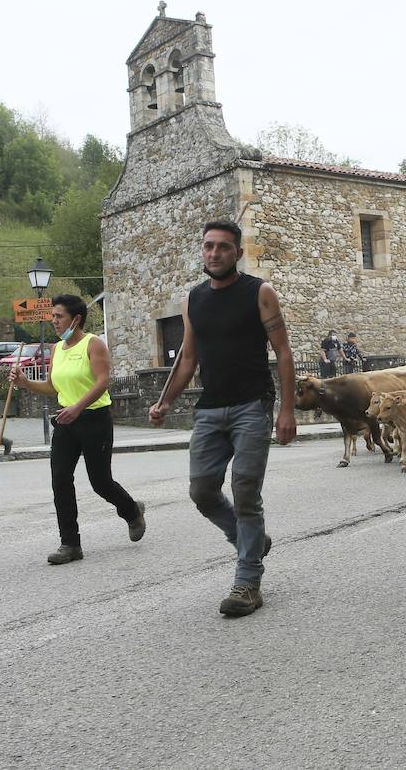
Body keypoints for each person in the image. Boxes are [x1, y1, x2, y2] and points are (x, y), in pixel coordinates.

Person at [150, 220, 297, 617]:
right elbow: (188, 360)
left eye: (223, 247)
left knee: (246, 492)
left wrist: (287, 408)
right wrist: (165, 401)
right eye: (208, 247)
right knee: (202, 492)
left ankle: (248, 581)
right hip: (210, 409)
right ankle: (252, 541)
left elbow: (283, 352)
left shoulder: (259, 293)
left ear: (238, 252)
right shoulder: (193, 300)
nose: (214, 253)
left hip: (252, 405)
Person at [10, 294, 146, 565]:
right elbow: (52, 386)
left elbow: (102, 382)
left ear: (76, 319)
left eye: (58, 316)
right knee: (60, 480)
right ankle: (70, 544)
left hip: (94, 419)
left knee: (100, 482)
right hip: (65, 421)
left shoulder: (93, 344)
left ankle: (131, 511)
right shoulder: (57, 349)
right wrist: (25, 383)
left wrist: (78, 408)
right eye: (53, 317)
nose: (54, 322)